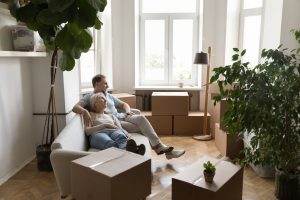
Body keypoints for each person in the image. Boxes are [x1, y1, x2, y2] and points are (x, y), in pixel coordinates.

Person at [73, 74, 185, 159]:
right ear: (96, 84)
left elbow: (123, 104)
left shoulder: (109, 96)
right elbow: (75, 107)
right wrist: (84, 111)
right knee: (143, 129)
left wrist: (127, 111)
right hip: (115, 122)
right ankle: (165, 150)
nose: (108, 85)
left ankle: (162, 148)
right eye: (105, 83)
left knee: (141, 118)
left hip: (122, 116)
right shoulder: (90, 97)